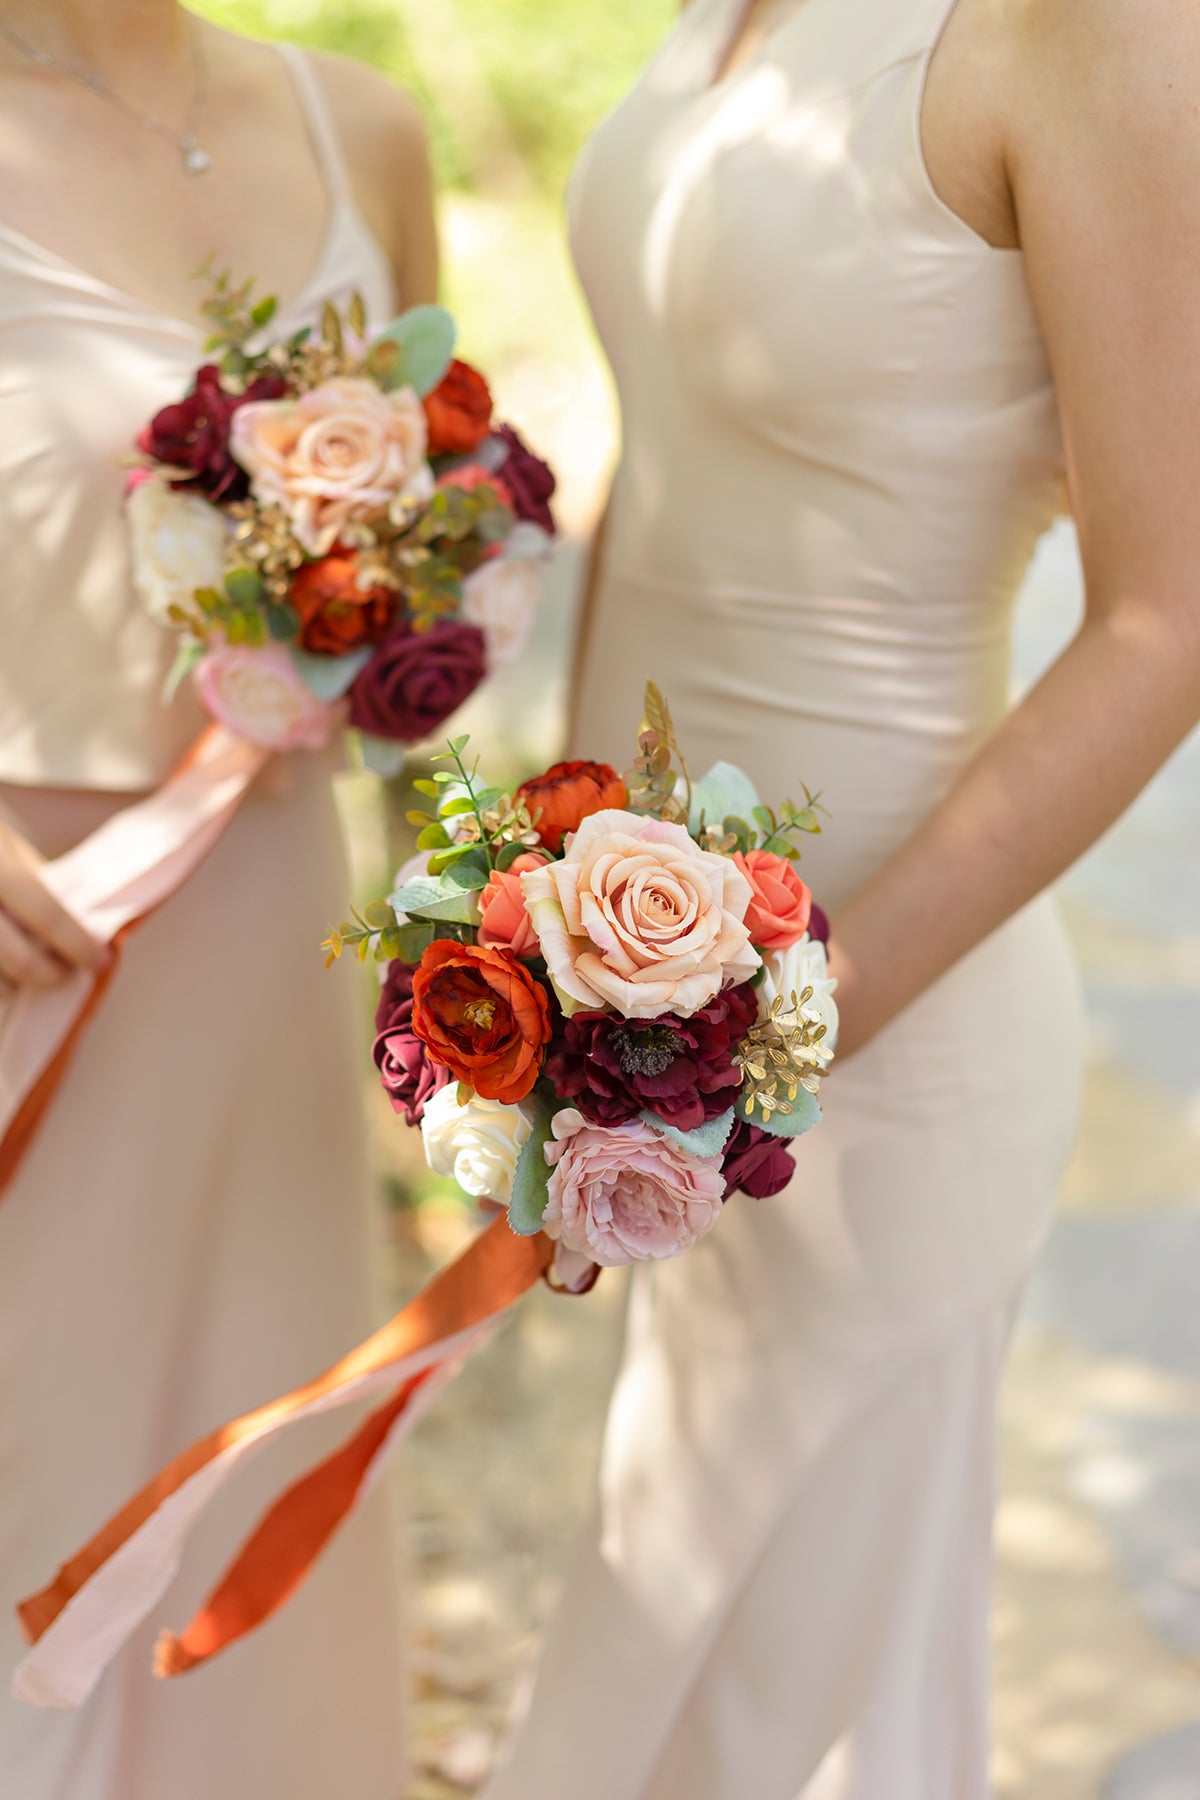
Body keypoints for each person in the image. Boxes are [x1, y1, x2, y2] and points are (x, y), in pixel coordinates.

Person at [484, 0, 1200, 1794]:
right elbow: (667, 478)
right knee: (656, 1652)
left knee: (773, 1716)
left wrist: (774, 1037)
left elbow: (1165, 621)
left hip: (882, 1028)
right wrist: (538, 952)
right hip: (646, 1005)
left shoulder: (1100, 34)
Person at [0, 4, 435, 1795]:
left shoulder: (365, 127)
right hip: (37, 952)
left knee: (226, 1479)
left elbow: (429, 572)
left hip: (269, 930)